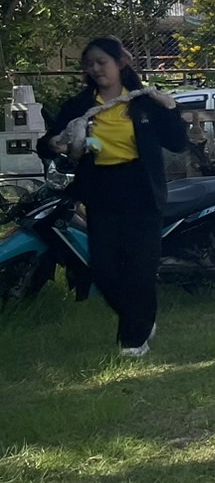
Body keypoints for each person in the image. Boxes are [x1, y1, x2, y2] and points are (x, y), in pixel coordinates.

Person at [39, 37, 189, 356]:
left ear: (120, 63)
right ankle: (141, 319)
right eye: (89, 64)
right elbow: (48, 142)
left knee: (140, 267)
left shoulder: (144, 102)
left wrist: (171, 109)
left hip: (142, 190)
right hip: (101, 191)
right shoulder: (80, 106)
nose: (95, 69)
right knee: (104, 268)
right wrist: (55, 144)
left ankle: (133, 341)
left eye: (101, 62)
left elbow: (177, 143)